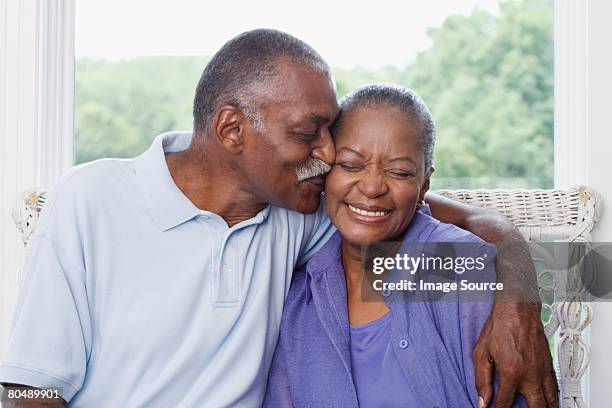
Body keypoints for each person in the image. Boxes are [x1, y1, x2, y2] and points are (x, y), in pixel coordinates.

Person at [0, 29, 556, 407]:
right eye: (308, 131)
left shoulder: (301, 213)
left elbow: (405, 206)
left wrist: (515, 277)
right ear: (231, 129)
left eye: (330, 133)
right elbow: (28, 389)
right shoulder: (90, 199)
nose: (326, 151)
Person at [264, 84, 529, 407]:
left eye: (399, 172)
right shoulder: (298, 295)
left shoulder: (459, 267)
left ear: (423, 187)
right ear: (325, 173)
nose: (373, 187)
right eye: (350, 165)